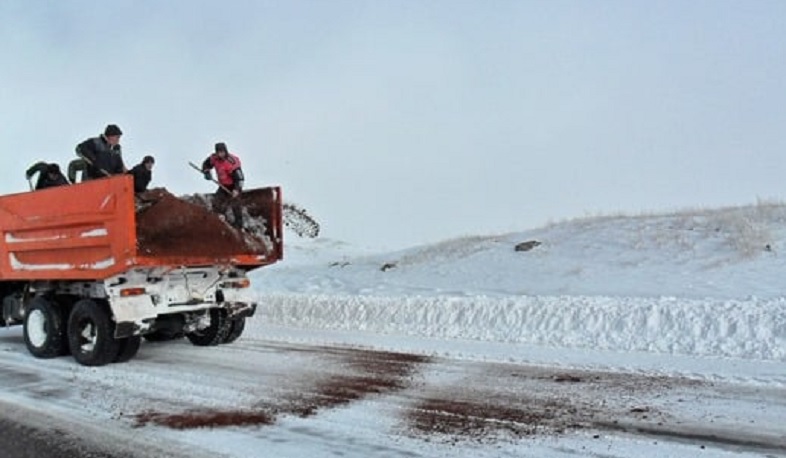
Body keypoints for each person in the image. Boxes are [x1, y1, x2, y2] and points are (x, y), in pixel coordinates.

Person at [201, 142, 245, 229]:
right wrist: (206, 172)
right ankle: (221, 218)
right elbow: (206, 164)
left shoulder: (232, 162)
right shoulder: (214, 159)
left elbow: (240, 179)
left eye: (222, 152)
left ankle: (239, 224)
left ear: (226, 151)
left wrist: (236, 189)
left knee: (235, 203)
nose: (220, 154)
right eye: (218, 152)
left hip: (234, 185)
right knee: (216, 201)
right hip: (223, 185)